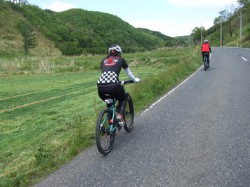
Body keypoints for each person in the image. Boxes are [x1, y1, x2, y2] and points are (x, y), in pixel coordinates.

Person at [97, 44, 140, 129]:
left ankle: (110, 123)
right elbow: (129, 73)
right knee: (123, 98)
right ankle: (119, 116)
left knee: (110, 103)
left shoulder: (103, 61)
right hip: (114, 86)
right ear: (119, 53)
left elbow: (106, 73)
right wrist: (135, 80)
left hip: (100, 87)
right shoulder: (121, 60)